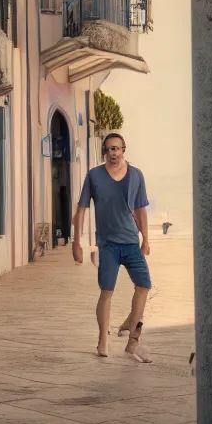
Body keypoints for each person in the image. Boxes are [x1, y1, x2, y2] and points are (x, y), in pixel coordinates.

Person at [72, 133, 152, 363]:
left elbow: (140, 210)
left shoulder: (136, 175)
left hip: (130, 243)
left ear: (124, 150)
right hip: (107, 245)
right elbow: (81, 210)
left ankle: (132, 340)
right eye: (108, 149)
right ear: (104, 152)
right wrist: (77, 242)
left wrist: (145, 238)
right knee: (106, 292)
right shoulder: (94, 176)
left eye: (116, 148)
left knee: (144, 285)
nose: (113, 153)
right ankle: (102, 340)